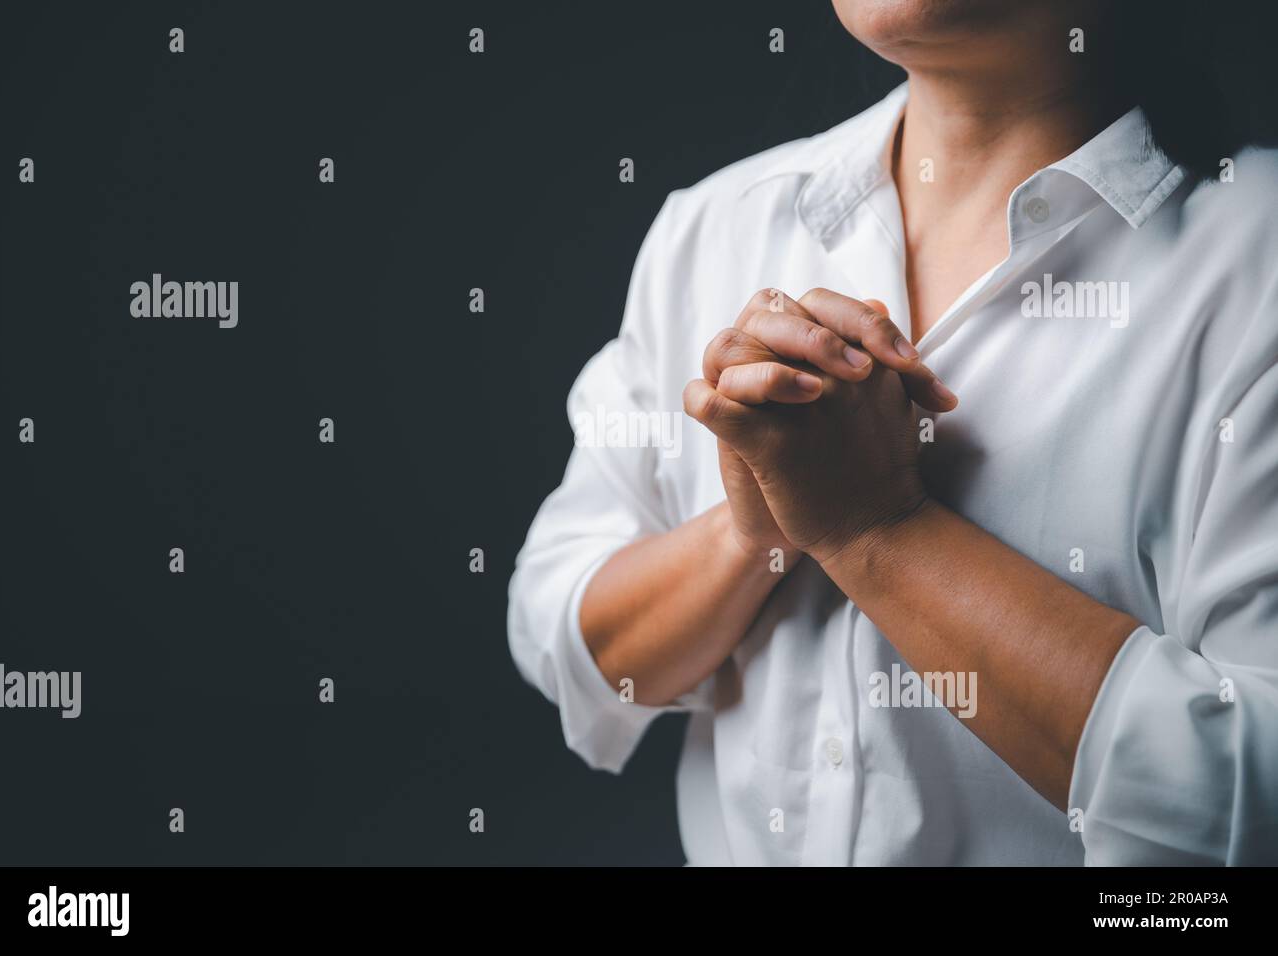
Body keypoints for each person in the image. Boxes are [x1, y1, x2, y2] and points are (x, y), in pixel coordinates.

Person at [508, 0, 1278, 864]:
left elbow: (1252, 796)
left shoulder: (1261, 272)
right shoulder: (714, 225)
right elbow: (569, 644)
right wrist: (751, 530)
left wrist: (877, 530)